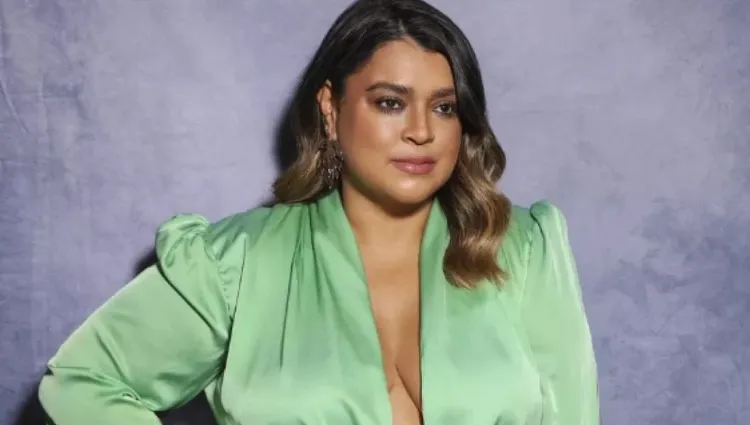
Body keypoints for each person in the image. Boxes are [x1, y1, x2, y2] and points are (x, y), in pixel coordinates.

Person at [37, 0, 600, 424]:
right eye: (390, 102)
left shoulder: (522, 248)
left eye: (445, 107)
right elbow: (86, 380)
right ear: (331, 110)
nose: (422, 131)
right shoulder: (237, 262)